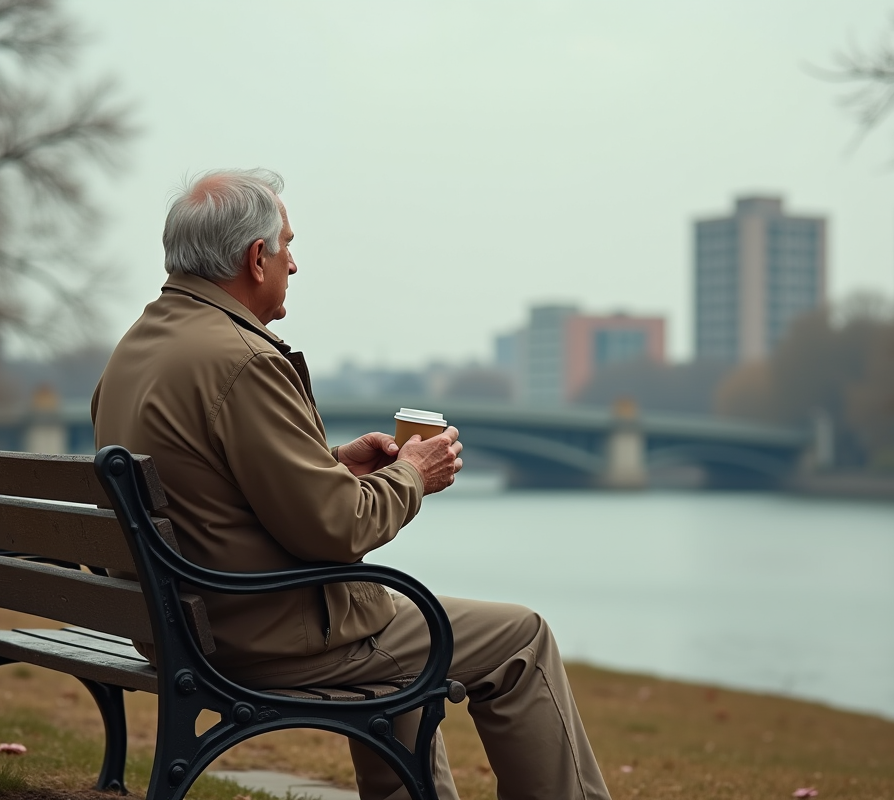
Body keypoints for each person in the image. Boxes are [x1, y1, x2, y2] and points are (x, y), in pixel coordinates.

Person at [92, 169, 611, 800]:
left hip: (174, 621)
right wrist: (412, 475)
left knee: (400, 635)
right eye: (288, 245)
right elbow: (339, 529)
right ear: (257, 258)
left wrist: (334, 463)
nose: (294, 263)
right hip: (257, 635)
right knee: (519, 638)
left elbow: (211, 487)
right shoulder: (244, 360)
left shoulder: (137, 350)